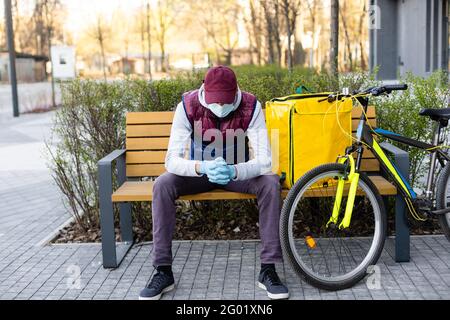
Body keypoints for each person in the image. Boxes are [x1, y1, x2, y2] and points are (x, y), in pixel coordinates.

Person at [139, 66, 289, 300]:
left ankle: (268, 269)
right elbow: (171, 160)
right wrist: (202, 167)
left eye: (225, 101)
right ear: (204, 91)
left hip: (236, 175)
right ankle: (163, 270)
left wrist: (234, 171)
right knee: (162, 184)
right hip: (198, 173)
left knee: (270, 183)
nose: (220, 107)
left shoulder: (251, 106)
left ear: (236, 91)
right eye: (215, 102)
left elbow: (265, 160)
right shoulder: (187, 106)